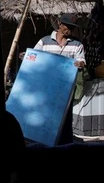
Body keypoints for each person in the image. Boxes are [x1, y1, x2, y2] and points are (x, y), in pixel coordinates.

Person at [33, 13, 86, 145]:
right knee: (45, 114)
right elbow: (35, 56)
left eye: (73, 27)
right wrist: (28, 56)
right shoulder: (44, 42)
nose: (71, 30)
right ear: (60, 25)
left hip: (65, 89)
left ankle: (64, 144)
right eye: (68, 26)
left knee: (64, 117)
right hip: (46, 87)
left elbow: (81, 61)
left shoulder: (77, 45)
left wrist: (80, 64)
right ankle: (43, 139)